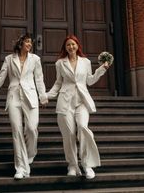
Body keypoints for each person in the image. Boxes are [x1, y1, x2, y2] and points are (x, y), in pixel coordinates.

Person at [0, 33, 48, 180]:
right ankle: (20, 168)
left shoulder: (36, 59)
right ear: (20, 43)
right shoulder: (9, 59)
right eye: (27, 42)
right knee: (16, 132)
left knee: (31, 128)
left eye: (31, 43)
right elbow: (0, 79)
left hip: (31, 97)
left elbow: (39, 79)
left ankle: (29, 155)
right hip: (14, 98)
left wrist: (43, 97)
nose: (30, 44)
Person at [46, 34, 110, 179]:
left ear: (77, 46)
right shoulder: (60, 63)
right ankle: (72, 165)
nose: (71, 47)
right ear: (65, 47)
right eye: (68, 45)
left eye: (73, 44)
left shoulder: (85, 62)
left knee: (82, 127)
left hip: (81, 101)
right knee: (69, 135)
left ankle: (87, 165)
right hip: (65, 102)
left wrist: (102, 69)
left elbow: (90, 80)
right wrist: (46, 96)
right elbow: (57, 83)